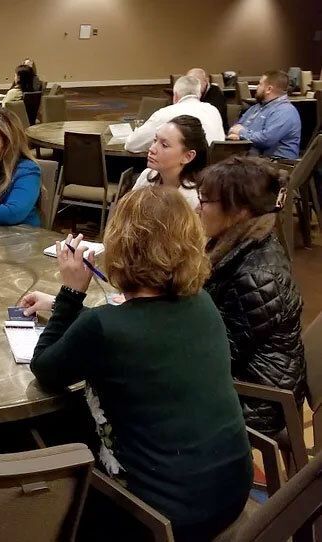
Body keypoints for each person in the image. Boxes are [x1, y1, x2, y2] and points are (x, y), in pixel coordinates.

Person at [22, 188, 252, 541]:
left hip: (156, 519)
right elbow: (137, 333)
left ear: (120, 245)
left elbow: (45, 369)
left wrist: (70, 293)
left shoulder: (102, 328)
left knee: (32, 432)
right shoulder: (202, 303)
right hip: (229, 494)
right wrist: (62, 308)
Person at [197, 156, 305, 435]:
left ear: (240, 211)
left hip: (259, 400)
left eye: (206, 201)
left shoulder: (256, 276)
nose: (198, 208)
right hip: (250, 377)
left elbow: (218, 353)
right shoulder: (242, 242)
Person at [125, 75, 224, 153]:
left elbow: (132, 145)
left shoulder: (166, 114)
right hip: (216, 173)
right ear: (199, 94)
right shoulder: (213, 110)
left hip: (183, 173)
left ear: (175, 95)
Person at [130, 115, 207, 209]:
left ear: (188, 156)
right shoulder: (147, 177)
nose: (152, 149)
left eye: (164, 145)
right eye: (155, 140)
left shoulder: (193, 200)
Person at [228, 70, 301, 159]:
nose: (257, 87)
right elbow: (234, 128)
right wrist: (237, 133)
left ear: (269, 89)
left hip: (276, 164)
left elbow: (266, 140)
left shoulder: (285, 111)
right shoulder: (256, 107)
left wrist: (241, 133)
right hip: (252, 161)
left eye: (260, 84)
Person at [187, 67, 228, 131]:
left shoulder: (215, 92)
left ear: (206, 81)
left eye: (197, 83)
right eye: (190, 83)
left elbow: (212, 116)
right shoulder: (188, 92)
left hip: (216, 130)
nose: (194, 86)